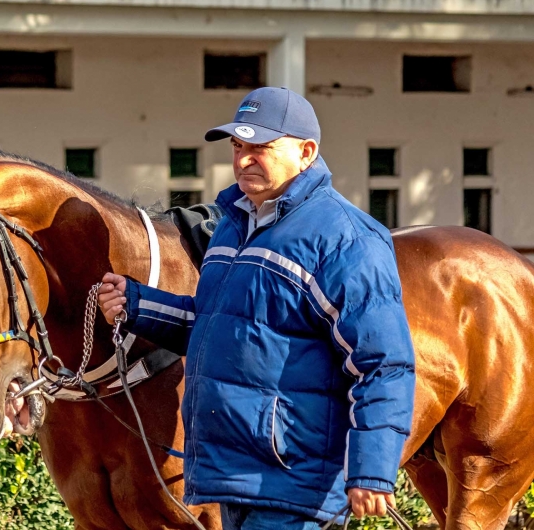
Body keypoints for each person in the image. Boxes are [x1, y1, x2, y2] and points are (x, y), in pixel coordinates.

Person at [98, 87, 416, 530]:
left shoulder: (346, 239)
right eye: (238, 146)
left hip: (292, 481)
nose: (244, 159)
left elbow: (383, 365)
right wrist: (136, 304)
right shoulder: (232, 225)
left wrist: (371, 470)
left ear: (306, 152)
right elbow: (214, 326)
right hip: (234, 473)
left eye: (260, 147)